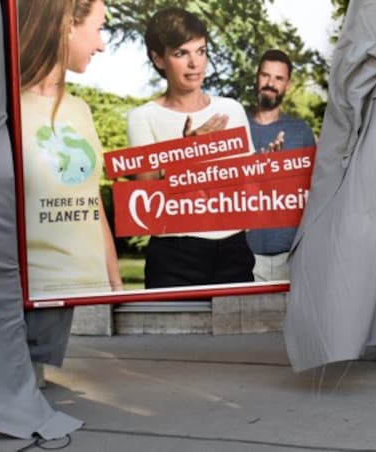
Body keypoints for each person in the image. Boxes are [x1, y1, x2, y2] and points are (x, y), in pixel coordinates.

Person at [18, 0, 122, 385]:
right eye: (98, 29)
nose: (102, 45)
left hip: (75, 287)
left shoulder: (80, 110)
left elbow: (90, 198)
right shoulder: (7, 109)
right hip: (31, 292)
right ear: (67, 26)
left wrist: (112, 278)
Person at [127, 7, 256, 289]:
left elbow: (248, 188)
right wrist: (187, 152)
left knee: (241, 334)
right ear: (158, 59)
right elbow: (146, 209)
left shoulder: (231, 110)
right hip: (175, 257)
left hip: (234, 252)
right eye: (181, 53)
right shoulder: (142, 118)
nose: (195, 63)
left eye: (201, 51)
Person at [245, 49, 316, 281]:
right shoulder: (236, 125)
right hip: (244, 256)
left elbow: (317, 191)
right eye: (265, 76)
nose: (270, 84)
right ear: (256, 78)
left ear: (288, 84)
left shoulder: (301, 132)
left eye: (278, 78)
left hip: (292, 256)